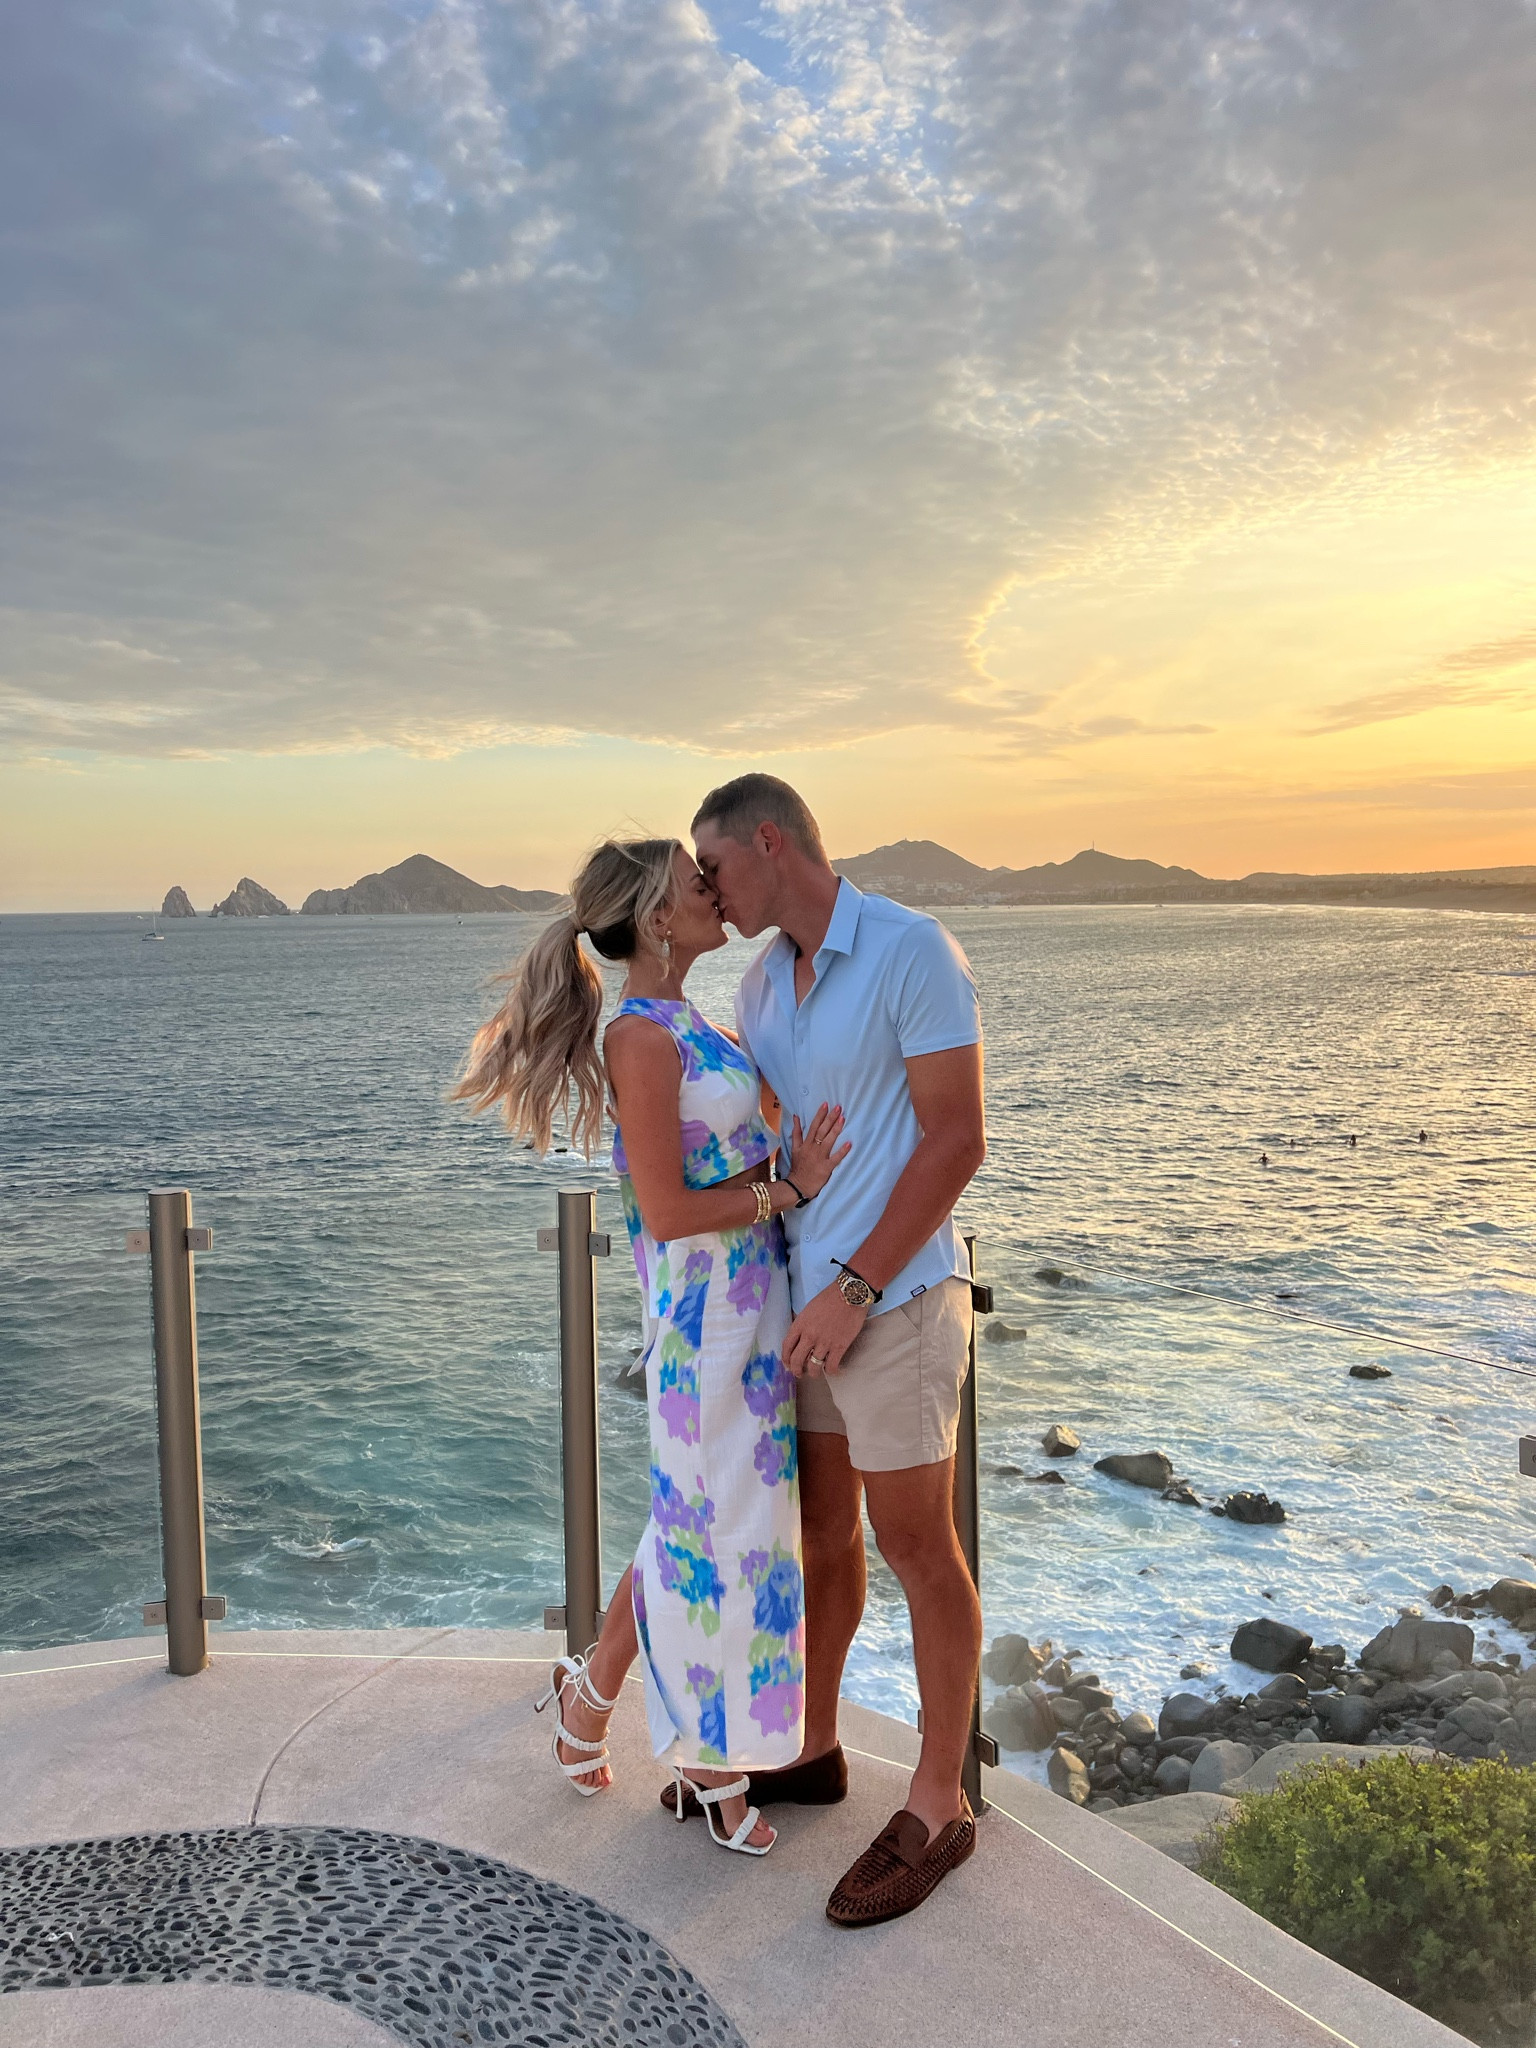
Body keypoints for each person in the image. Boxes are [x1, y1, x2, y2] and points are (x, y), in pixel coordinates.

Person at [454, 837, 848, 1859]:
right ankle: (705, 1755)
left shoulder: (691, 1020)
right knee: (703, 1527)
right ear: (659, 918)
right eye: (694, 881)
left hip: (752, 1312)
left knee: (695, 1513)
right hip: (707, 1320)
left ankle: (590, 1695)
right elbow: (669, 1210)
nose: (714, 891)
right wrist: (789, 1188)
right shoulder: (639, 1035)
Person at [693, 773, 987, 1929]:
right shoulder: (764, 981)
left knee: (916, 1542)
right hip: (808, 1312)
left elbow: (957, 1138)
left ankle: (939, 1795)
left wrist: (860, 1284)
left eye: (715, 866)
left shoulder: (914, 951)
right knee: (822, 1539)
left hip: (899, 1298)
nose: (710, 891)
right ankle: (814, 1742)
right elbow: (771, 1137)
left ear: (771, 842)